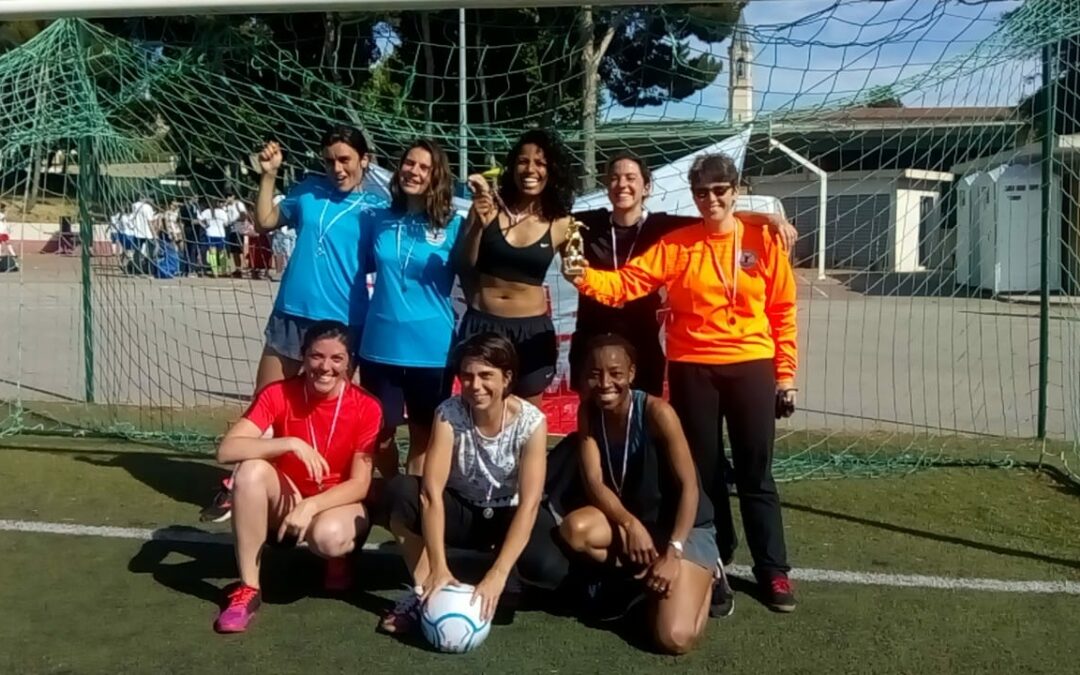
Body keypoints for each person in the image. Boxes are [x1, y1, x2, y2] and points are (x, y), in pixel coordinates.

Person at [565, 153, 799, 615]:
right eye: (701, 192)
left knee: (756, 474)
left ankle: (773, 570)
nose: (711, 199)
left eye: (720, 190)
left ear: (735, 190)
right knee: (705, 473)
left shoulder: (763, 240)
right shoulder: (679, 243)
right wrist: (582, 276)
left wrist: (785, 375)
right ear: (692, 197)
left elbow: (783, 311)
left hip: (753, 364)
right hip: (692, 367)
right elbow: (626, 283)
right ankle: (716, 556)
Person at [200, 125, 384, 524]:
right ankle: (240, 485)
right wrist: (269, 174)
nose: (337, 168)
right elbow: (265, 220)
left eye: (345, 159)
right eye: (330, 160)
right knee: (265, 403)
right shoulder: (307, 192)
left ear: (364, 161)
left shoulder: (375, 210)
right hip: (291, 314)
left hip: (342, 324)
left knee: (340, 414)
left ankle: (338, 494)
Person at [379, 333, 568, 634]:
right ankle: (424, 591)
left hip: (508, 511)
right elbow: (431, 493)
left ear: (507, 378)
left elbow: (530, 503)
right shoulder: (448, 414)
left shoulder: (532, 422)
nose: (475, 386)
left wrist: (499, 573)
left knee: (549, 568)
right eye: (467, 376)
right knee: (401, 493)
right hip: (463, 509)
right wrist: (439, 566)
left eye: (485, 376)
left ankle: (506, 573)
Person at [570, 152, 798, 397]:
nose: (622, 184)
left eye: (630, 178)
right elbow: (549, 223)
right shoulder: (588, 223)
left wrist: (769, 219)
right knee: (593, 427)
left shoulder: (668, 229)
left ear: (646, 187)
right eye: (614, 178)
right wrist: (580, 274)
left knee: (647, 425)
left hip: (656, 350)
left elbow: (718, 218)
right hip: (607, 348)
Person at [212, 320, 382, 634]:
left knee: (329, 538)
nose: (325, 367)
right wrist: (289, 443)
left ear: (350, 364)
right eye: (316, 356)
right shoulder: (278, 394)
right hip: (287, 494)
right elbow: (227, 451)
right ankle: (248, 589)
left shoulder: (367, 407)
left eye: (336, 359)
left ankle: (338, 559)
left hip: (335, 502)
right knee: (249, 471)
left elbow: (360, 484)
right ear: (303, 357)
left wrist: (310, 506)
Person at [560, 334, 717, 654]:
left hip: (683, 529)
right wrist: (630, 524)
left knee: (674, 638)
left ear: (631, 374)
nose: (605, 383)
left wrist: (673, 551)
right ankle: (642, 579)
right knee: (575, 530)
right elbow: (594, 482)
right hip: (639, 522)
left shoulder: (658, 414)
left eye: (615, 373)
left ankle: (711, 579)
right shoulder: (588, 411)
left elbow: (691, 487)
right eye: (595, 373)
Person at [358, 139, 464, 478]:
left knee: (424, 436)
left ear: (437, 177)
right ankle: (392, 499)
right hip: (379, 346)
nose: (413, 171)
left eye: (423, 167)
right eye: (409, 163)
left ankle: (409, 510)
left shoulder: (454, 225)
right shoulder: (377, 218)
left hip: (432, 349)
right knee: (379, 436)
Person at [458, 129, 576, 405]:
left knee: (526, 422)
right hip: (483, 324)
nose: (530, 169)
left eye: (540, 162)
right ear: (512, 167)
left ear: (552, 171)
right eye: (523, 161)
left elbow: (580, 275)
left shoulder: (563, 223)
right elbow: (464, 264)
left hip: (531, 332)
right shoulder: (487, 208)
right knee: (477, 417)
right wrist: (478, 223)